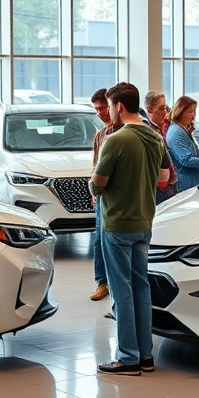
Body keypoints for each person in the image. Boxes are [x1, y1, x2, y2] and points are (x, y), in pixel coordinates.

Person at [89, 82, 170, 375]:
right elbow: (163, 178)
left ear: (119, 107)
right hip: (144, 221)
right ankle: (146, 355)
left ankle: (128, 357)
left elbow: (98, 184)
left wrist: (98, 185)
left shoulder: (116, 139)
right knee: (141, 287)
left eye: (109, 106)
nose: (109, 111)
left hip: (117, 223)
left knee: (121, 290)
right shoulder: (155, 137)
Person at [89, 88, 120, 303]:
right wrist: (93, 189)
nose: (100, 113)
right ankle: (102, 282)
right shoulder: (100, 135)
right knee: (98, 238)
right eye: (97, 109)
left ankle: (115, 281)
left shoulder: (124, 133)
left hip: (119, 195)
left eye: (102, 108)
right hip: (101, 194)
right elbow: (95, 165)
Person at [166, 96, 199, 192]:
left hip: (190, 185)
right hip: (183, 187)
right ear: (180, 112)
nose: (194, 116)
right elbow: (185, 160)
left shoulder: (182, 129)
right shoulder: (176, 132)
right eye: (190, 112)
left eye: (194, 111)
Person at [145, 91, 178, 204]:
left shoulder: (163, 127)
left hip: (168, 185)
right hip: (158, 188)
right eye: (161, 108)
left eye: (165, 108)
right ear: (149, 110)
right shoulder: (148, 132)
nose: (165, 113)